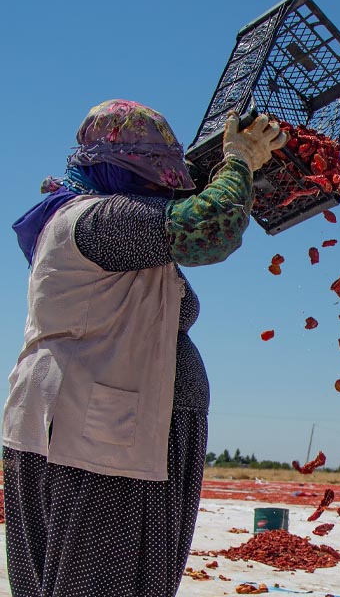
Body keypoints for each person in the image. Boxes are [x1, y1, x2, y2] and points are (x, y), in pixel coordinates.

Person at [3, 99, 286, 596]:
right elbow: (210, 227)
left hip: (86, 432)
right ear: (119, 172)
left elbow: (195, 213)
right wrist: (238, 158)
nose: (161, 189)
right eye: (154, 178)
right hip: (96, 443)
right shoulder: (102, 219)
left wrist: (240, 175)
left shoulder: (101, 222)